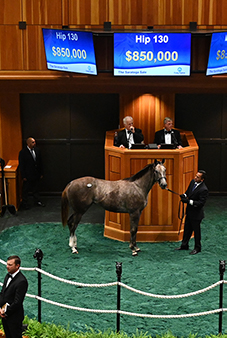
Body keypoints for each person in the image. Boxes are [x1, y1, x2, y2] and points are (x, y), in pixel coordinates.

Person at [175, 170, 208, 255]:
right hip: (189, 212)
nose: (195, 178)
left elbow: (201, 203)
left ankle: (197, 247)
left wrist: (189, 201)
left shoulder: (204, 189)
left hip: (196, 214)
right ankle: (184, 245)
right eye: (196, 176)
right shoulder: (192, 182)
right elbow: (188, 192)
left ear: (202, 179)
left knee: (196, 232)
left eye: (198, 177)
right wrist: (184, 195)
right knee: (187, 229)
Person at [0, 255, 28, 338]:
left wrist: (6, 312)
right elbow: (3, 294)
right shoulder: (7, 276)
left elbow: (18, 302)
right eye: (7, 264)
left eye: (10, 265)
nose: (7, 267)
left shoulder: (22, 281)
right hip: (4, 316)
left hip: (14, 317)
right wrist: (0, 309)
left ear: (17, 265)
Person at [19, 137, 45, 209]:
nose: (35, 143)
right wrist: (23, 176)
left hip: (36, 173)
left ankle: (37, 201)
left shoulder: (37, 150)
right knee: (26, 190)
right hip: (28, 175)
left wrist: (41, 173)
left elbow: (40, 162)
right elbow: (22, 165)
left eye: (34, 142)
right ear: (28, 143)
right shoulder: (23, 153)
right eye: (33, 142)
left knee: (36, 188)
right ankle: (25, 203)